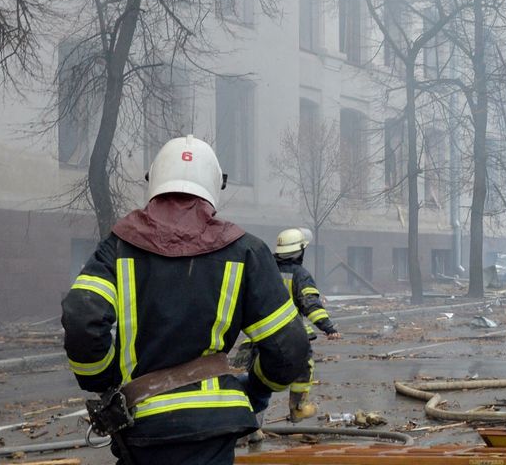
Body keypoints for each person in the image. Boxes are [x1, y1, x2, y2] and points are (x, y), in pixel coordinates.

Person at [62, 135, 310, 465]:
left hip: (142, 428)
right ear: (214, 184)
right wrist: (258, 389)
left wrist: (104, 383)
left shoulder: (118, 247)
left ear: (154, 180)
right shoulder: (245, 251)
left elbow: (82, 319)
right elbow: (289, 347)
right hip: (214, 432)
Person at [269, 227, 340, 420]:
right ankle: (297, 408)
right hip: (290, 333)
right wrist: (328, 327)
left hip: (262, 333)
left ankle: (253, 424)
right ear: (300, 251)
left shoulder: (266, 270)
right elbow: (311, 305)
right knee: (304, 366)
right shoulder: (300, 275)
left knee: (260, 377)